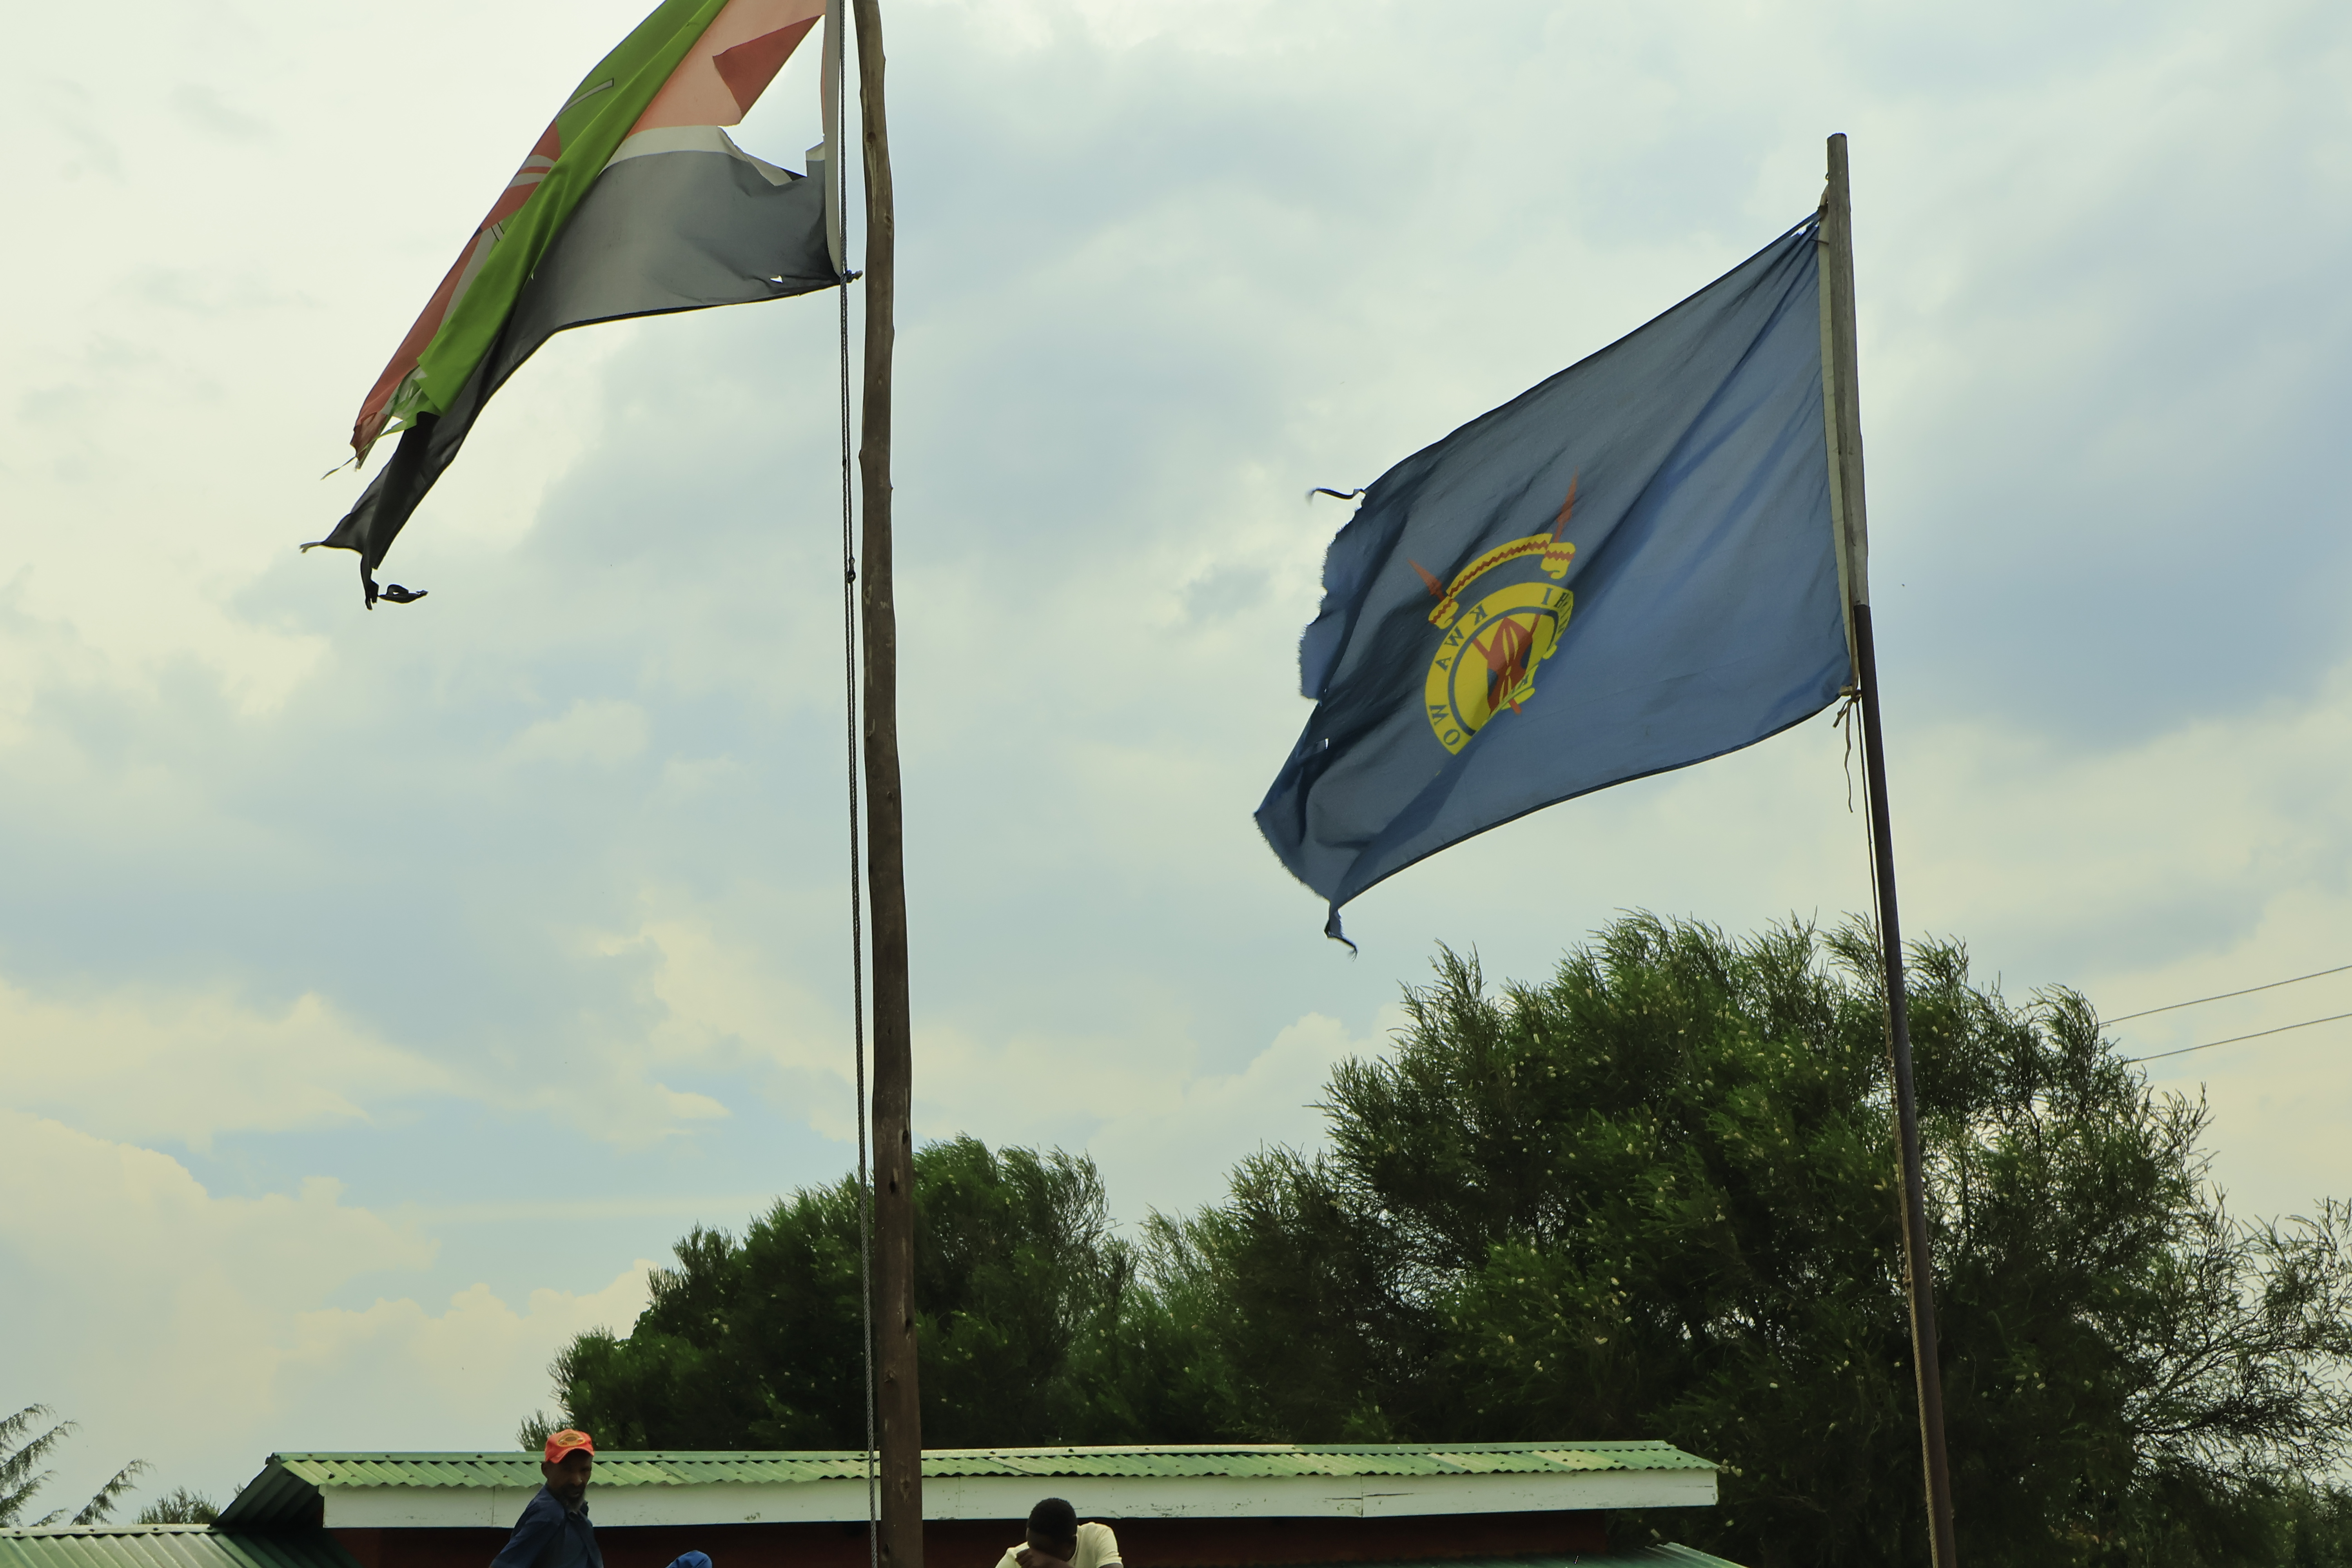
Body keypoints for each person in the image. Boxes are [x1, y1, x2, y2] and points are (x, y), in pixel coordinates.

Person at [491, 1430, 711, 1568]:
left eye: (585, 1470)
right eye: (567, 1470)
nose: (577, 1480)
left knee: (697, 1562)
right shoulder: (549, 1514)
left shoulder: (575, 1511)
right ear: (546, 1470)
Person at [994, 1498, 1120, 1568]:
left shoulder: (1096, 1537)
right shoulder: (1016, 1560)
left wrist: (1053, 1565)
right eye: (1031, 1545)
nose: (1033, 1555)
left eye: (1042, 1551)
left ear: (1071, 1543)